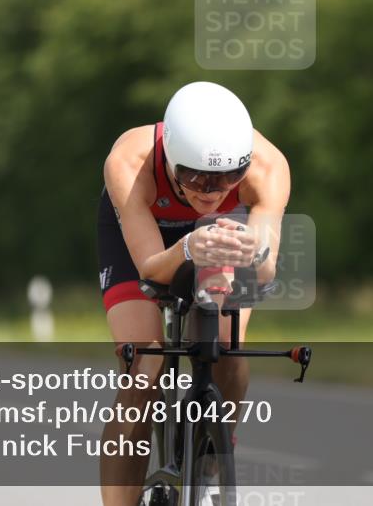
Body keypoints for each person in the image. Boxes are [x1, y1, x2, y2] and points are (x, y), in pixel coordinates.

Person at [97, 81, 290, 505]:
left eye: (229, 177)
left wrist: (250, 250)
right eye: (195, 176)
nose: (211, 191)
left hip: (221, 236)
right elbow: (150, 268)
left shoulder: (268, 166)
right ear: (169, 160)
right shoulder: (130, 161)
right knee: (144, 369)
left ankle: (209, 460)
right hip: (145, 238)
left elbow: (265, 267)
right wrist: (187, 247)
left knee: (226, 347)